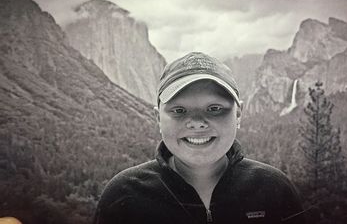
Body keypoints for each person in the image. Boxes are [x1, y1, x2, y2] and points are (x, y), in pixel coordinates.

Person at [93, 52, 305, 224]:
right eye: (179, 110)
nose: (196, 122)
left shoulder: (275, 190)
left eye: (214, 108)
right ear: (158, 118)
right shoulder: (123, 196)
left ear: (238, 114)